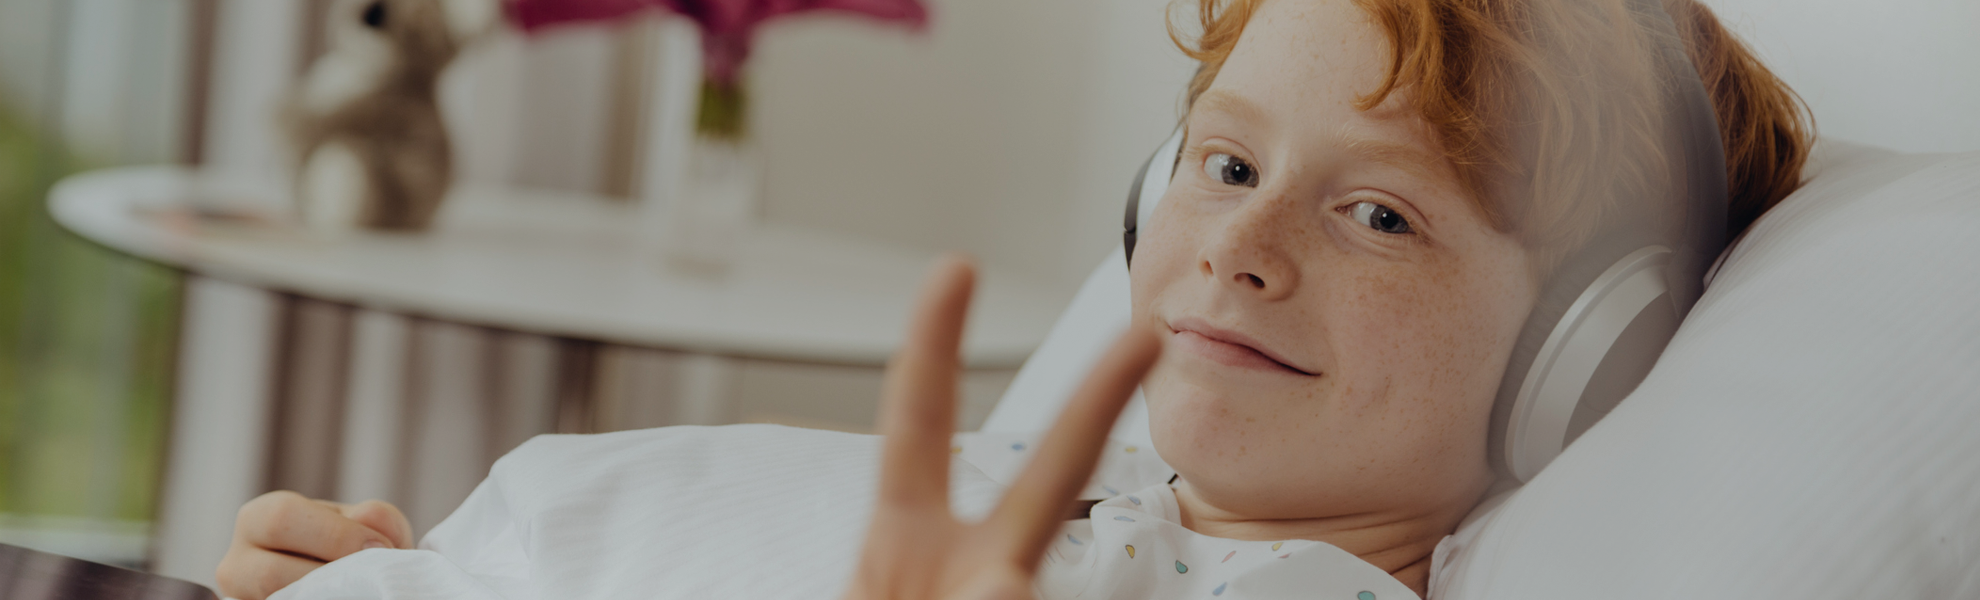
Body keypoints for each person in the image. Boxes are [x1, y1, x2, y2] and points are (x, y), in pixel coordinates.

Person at [215, 0, 1810, 598]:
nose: (1239, 251)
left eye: (1382, 213)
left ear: (1584, 361)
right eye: (1226, 163)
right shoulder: (975, 488)